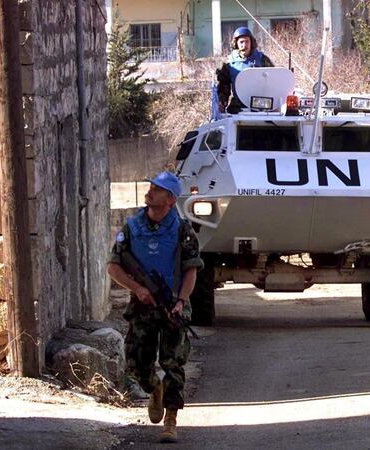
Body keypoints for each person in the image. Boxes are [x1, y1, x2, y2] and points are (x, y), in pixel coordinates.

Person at [107, 171, 203, 443]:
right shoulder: (132, 227)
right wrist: (137, 288)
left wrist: (181, 301)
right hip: (142, 306)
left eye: (157, 189)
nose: (150, 192)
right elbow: (113, 267)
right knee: (136, 361)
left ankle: (171, 420)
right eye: (150, 187)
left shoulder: (183, 230)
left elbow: (191, 271)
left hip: (173, 305)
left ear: (171, 199)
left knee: (172, 363)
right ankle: (153, 387)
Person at [216, 26, 274, 114]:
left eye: (247, 41)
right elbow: (224, 84)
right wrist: (222, 102)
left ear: (251, 43)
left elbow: (273, 78)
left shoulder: (262, 59)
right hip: (238, 105)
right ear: (236, 44)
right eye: (241, 42)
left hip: (261, 104)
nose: (244, 45)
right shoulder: (229, 63)